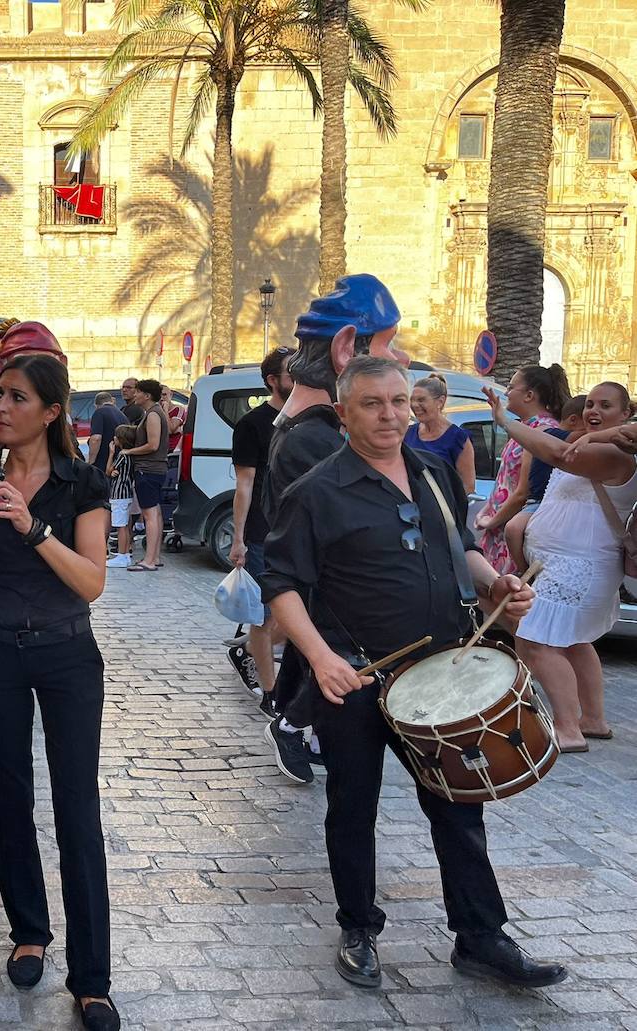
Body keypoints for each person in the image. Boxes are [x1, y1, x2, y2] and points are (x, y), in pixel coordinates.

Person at [262, 355, 567, 993]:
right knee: (353, 809)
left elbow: (462, 550)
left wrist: (498, 586)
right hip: (356, 679)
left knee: (459, 807)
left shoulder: (431, 472)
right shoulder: (315, 492)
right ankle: (358, 928)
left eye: (400, 402)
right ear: (343, 412)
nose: (391, 415)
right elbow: (281, 587)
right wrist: (321, 660)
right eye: (373, 404)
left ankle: (480, 937)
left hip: (442, 673)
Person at [0, 354, 118, 1031]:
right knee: (10, 795)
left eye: (14, 397)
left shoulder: (82, 483)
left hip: (68, 654)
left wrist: (34, 529)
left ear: (49, 411)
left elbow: (92, 581)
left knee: (77, 808)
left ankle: (92, 976)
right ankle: (29, 931)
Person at [260, 274, 409, 785]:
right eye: (389, 344)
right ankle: (294, 722)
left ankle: (297, 719)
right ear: (347, 349)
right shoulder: (315, 439)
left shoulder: (309, 429)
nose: (403, 358)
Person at [484, 381, 637, 752]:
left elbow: (557, 453)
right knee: (573, 642)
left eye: (606, 406)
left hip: (579, 568)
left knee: (534, 640)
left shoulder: (616, 457)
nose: (593, 411)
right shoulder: (586, 443)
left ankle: (568, 729)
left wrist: (505, 420)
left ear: (626, 415)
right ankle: (593, 719)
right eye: (591, 404)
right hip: (562, 564)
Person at [228, 346, 294, 703]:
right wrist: (238, 539)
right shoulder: (251, 425)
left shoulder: (309, 420)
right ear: (273, 380)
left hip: (299, 533)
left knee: (298, 616)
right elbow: (245, 484)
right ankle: (272, 694)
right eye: (290, 371)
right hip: (261, 534)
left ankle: (250, 649)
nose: (298, 377)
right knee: (264, 619)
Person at [474, 364, 568, 575]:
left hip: (512, 532)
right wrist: (486, 512)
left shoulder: (542, 431)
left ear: (529, 395)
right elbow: (505, 481)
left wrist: (492, 521)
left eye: (510, 387)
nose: (506, 393)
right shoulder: (525, 427)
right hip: (500, 528)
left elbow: (523, 492)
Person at [505, 395, 585, 571]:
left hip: (552, 503)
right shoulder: (553, 434)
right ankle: (523, 569)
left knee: (513, 529)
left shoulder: (553, 433)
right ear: (574, 420)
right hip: (537, 501)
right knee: (512, 528)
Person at [118, 379, 166, 571]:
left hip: (148, 469)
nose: (134, 395)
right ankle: (154, 557)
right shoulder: (155, 412)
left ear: (146, 396)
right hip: (154, 470)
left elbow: (152, 445)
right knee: (155, 513)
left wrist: (129, 451)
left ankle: (149, 561)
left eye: (137, 392)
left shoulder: (153, 415)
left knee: (149, 515)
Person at [405, 372, 475, 494]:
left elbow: (468, 487)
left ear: (440, 402)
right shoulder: (408, 433)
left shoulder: (458, 439)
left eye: (421, 400)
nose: (415, 405)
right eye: (412, 400)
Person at [104, 423, 138, 569]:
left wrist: (111, 453)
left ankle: (121, 555)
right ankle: (124, 554)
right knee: (125, 525)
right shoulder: (130, 455)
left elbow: (108, 471)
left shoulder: (122, 455)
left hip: (119, 494)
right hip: (127, 493)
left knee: (120, 526)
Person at [86, 392, 125, 479]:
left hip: (103, 463)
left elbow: (96, 438)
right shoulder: (122, 415)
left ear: (96, 405)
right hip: (118, 462)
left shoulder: (99, 412)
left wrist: (91, 462)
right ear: (111, 401)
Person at [160, 385, 185, 452]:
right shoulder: (156, 410)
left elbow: (170, 430)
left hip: (172, 449)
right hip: (159, 449)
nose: (161, 398)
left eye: (164, 395)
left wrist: (165, 410)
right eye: (159, 395)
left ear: (170, 395)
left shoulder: (178, 409)